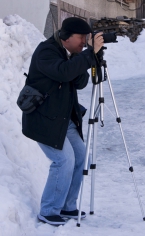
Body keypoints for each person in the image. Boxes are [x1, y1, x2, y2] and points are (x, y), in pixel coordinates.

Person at [22, 17, 104, 226]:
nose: (84, 42)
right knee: (64, 160)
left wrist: (90, 59)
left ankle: (67, 206)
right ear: (66, 37)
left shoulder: (71, 53)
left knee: (81, 157)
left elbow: (81, 81)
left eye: (87, 38)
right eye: (81, 38)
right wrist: (86, 56)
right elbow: (62, 72)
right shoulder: (46, 51)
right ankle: (49, 210)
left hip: (63, 119)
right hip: (44, 119)